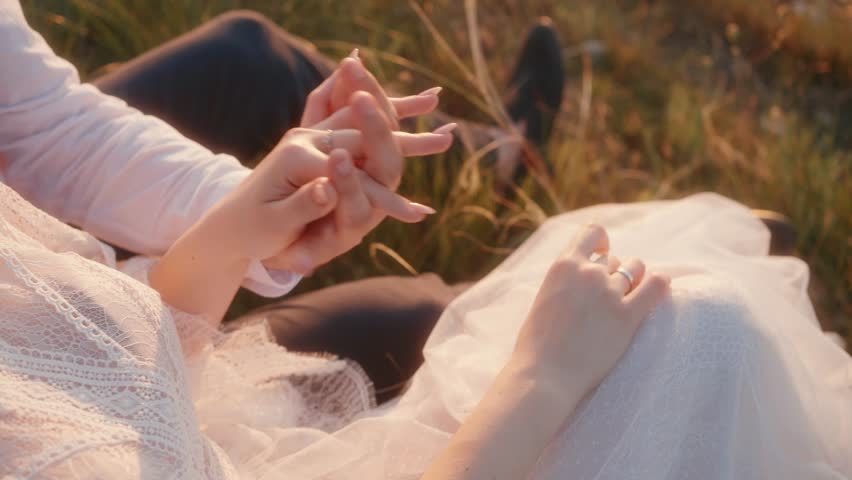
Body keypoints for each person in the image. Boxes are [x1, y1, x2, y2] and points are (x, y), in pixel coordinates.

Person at [1, 3, 849, 480]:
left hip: (181, 410)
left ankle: (523, 168)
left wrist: (251, 219)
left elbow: (107, 360)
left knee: (440, 307)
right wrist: (541, 378)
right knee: (696, 335)